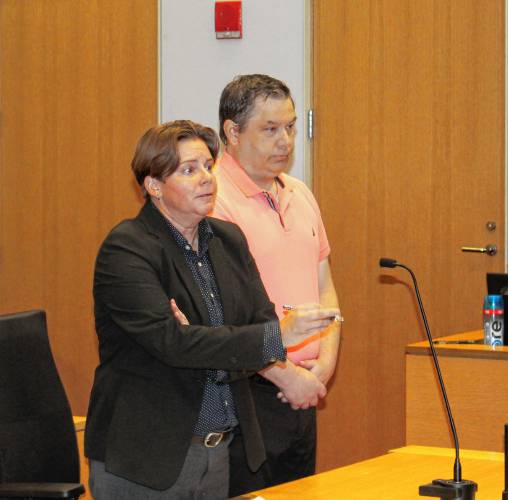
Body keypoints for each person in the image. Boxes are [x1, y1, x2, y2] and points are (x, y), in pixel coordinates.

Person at [84, 120, 339, 499]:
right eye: (189, 170)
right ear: (153, 186)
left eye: (208, 166)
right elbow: (173, 344)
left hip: (219, 451)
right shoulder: (128, 249)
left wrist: (206, 335)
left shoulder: (228, 240)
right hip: (148, 457)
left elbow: (256, 323)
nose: (206, 178)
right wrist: (269, 336)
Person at [213, 74, 342, 496]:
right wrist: (285, 377)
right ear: (232, 132)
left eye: (289, 127)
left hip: (306, 385)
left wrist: (323, 365)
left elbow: (324, 287)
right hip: (250, 388)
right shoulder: (214, 201)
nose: (285, 140)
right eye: (270, 129)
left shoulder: (299, 192)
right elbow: (223, 316)